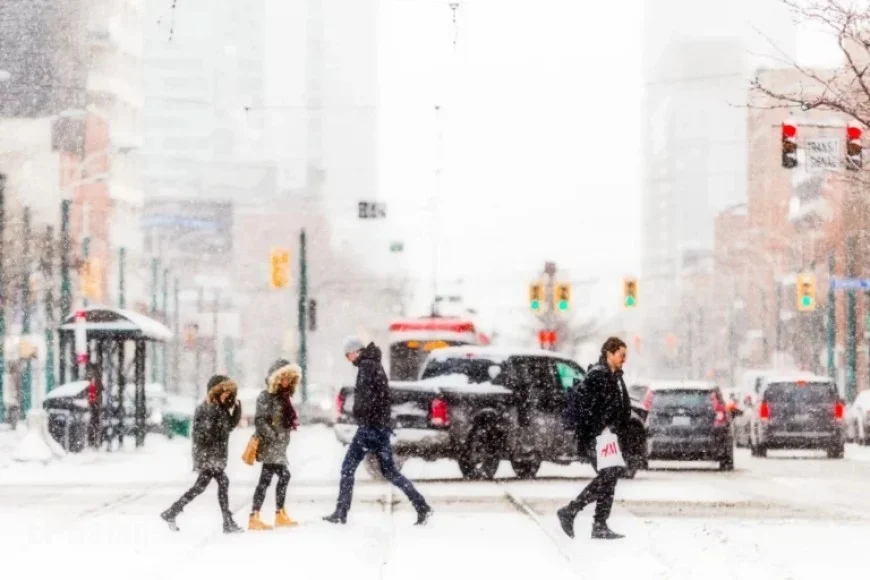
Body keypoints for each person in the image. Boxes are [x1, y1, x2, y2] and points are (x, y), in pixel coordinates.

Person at [324, 337, 432, 525]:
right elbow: (380, 398)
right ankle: (421, 505)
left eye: (348, 355)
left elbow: (367, 399)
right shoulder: (375, 365)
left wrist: (360, 414)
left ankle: (341, 512)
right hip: (380, 428)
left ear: (356, 351)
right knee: (390, 472)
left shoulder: (366, 367)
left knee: (347, 469)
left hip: (369, 428)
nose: (349, 360)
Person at [557, 337, 631, 540]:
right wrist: (601, 428)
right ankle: (571, 511)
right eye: (621, 355)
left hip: (606, 436)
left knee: (610, 475)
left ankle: (599, 523)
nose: (624, 359)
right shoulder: (598, 376)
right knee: (608, 474)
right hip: (596, 436)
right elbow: (588, 408)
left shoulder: (613, 375)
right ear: (609, 353)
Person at [160, 375, 243, 534]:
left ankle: (171, 512)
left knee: (200, 487)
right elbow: (204, 435)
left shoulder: (220, 407)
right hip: (208, 456)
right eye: (224, 391)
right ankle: (227, 522)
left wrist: (237, 411)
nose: (227, 394)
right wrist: (209, 452)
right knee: (222, 482)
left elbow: (228, 427)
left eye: (228, 392)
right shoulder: (208, 408)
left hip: (213, 456)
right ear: (216, 391)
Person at [248, 359, 301, 531]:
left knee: (266, 481)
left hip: (278, 447)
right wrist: (274, 435)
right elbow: (260, 421)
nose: (286, 381)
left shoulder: (283, 397)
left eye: (289, 378)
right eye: (283, 377)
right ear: (276, 378)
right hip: (270, 446)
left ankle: (266, 515)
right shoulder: (266, 396)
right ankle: (269, 515)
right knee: (282, 477)